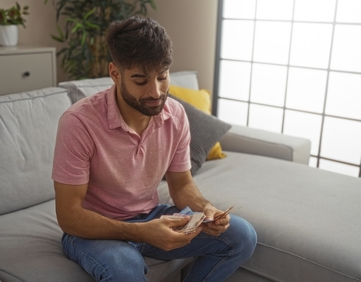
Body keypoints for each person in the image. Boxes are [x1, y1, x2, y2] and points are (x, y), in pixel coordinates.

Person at [52, 16, 257, 282]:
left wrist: (207, 209)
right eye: (140, 81)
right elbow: (69, 216)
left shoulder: (175, 114)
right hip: (95, 230)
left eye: (162, 77)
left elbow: (181, 185)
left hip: (152, 215)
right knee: (124, 268)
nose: (156, 91)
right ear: (115, 73)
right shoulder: (79, 122)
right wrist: (142, 232)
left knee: (242, 236)